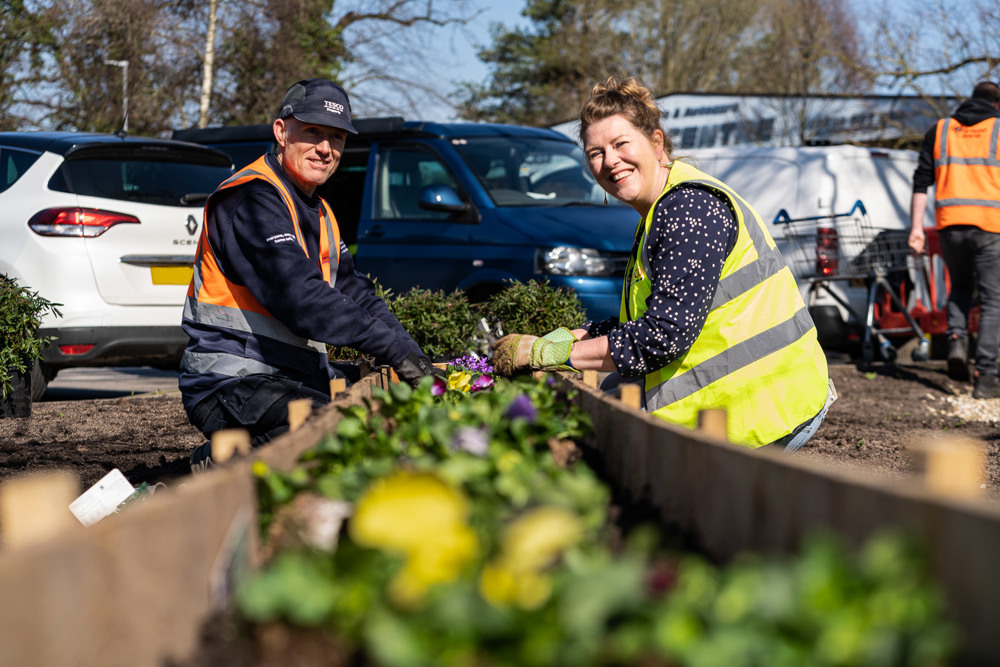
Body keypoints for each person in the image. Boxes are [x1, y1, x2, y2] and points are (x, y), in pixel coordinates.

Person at [493, 76, 835, 451]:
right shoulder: (662, 209)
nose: (610, 161)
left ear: (657, 143)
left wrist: (551, 354)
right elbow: (651, 318)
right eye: (595, 153)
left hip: (763, 406)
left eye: (621, 144)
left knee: (606, 435)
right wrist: (573, 336)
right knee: (606, 400)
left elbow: (662, 336)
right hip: (749, 394)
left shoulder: (688, 209)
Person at [180, 78, 444, 471]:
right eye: (313, 132)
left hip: (290, 378)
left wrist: (415, 359)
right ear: (281, 131)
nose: (325, 148)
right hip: (232, 382)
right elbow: (302, 300)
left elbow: (359, 295)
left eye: (336, 137)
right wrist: (394, 352)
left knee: (378, 422)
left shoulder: (319, 212)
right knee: (338, 439)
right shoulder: (251, 198)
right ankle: (219, 465)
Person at [909, 81, 1000, 399]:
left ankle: (957, 343)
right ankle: (986, 376)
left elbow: (921, 181)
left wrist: (916, 229)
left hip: (949, 226)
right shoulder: (998, 129)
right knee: (992, 301)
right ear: (997, 105)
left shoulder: (941, 129)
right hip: (990, 227)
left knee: (960, 287)